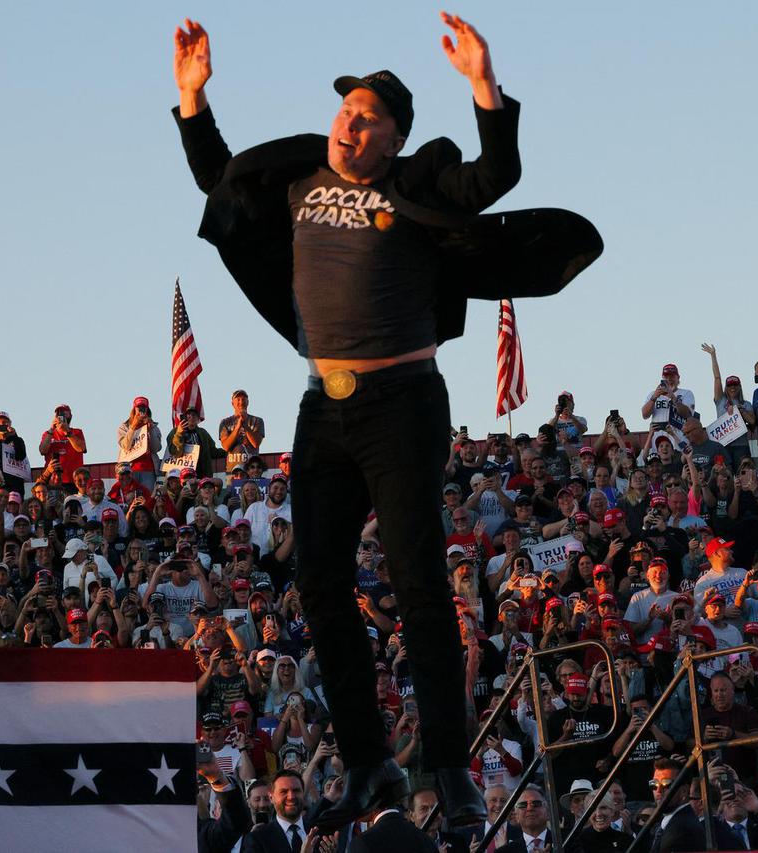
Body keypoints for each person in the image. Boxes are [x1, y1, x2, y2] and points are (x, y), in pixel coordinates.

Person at [171, 11, 598, 829]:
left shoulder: (414, 187)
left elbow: (493, 176)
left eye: (367, 119)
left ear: (393, 138)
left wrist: (482, 83)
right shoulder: (299, 182)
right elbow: (219, 179)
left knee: (419, 582)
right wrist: (193, 98)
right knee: (318, 585)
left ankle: (449, 764)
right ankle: (371, 764)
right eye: (344, 111)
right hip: (319, 408)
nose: (348, 125)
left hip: (402, 402)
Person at [243, 769, 315, 852]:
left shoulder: (321, 834)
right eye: (283, 792)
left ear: (303, 794)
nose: (291, 797)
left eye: (296, 790)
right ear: (271, 798)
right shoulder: (257, 839)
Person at [219, 390, 266, 473]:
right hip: (232, 470)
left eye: (244, 399)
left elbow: (256, 443)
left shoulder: (258, 420)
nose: (241, 401)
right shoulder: (225, 422)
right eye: (238, 399)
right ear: (232, 403)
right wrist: (237, 427)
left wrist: (245, 425)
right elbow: (226, 446)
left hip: (252, 470)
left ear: (248, 402)